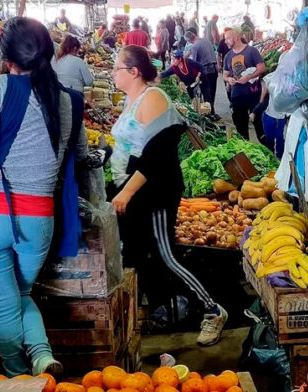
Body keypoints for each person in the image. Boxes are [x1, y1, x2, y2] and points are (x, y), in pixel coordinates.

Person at [0, 17, 88, 376]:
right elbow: (82, 155)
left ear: (8, 58)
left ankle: (16, 375)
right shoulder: (70, 101)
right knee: (22, 295)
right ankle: (43, 357)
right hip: (38, 221)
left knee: (3, 305)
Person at [110, 45, 228, 346]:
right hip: (136, 190)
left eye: (117, 68)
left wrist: (126, 192)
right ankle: (164, 310)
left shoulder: (153, 99)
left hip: (155, 192)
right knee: (139, 255)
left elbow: (157, 156)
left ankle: (213, 310)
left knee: (165, 255)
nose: (112, 73)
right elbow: (131, 147)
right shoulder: (133, 99)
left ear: (134, 72)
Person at [223, 28, 265, 140]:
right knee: (241, 127)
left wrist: (249, 77)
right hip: (237, 95)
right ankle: (246, 151)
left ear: (236, 37)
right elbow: (225, 74)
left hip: (253, 93)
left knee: (259, 124)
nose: (225, 41)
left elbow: (261, 68)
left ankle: (267, 148)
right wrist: (229, 79)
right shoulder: (228, 56)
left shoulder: (251, 51)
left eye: (227, 38)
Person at [185, 30, 218, 114]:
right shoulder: (206, 40)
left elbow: (195, 63)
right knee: (212, 91)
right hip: (214, 69)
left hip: (206, 71)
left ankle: (208, 112)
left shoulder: (195, 46)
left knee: (206, 92)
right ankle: (212, 110)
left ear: (189, 41)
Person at [251, 79, 287, 158]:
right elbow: (264, 103)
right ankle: (270, 155)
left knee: (279, 138)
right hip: (269, 116)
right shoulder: (271, 89)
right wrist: (254, 112)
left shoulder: (287, 90)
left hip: (280, 118)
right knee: (269, 138)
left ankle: (280, 157)